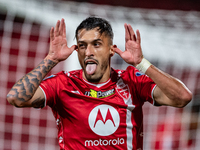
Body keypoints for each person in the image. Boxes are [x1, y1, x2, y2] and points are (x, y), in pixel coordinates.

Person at [7, 16, 192, 150]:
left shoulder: (131, 81)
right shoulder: (63, 84)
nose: (88, 52)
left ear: (111, 50)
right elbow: (16, 98)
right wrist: (51, 59)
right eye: (82, 45)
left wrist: (141, 63)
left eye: (96, 44)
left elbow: (182, 97)